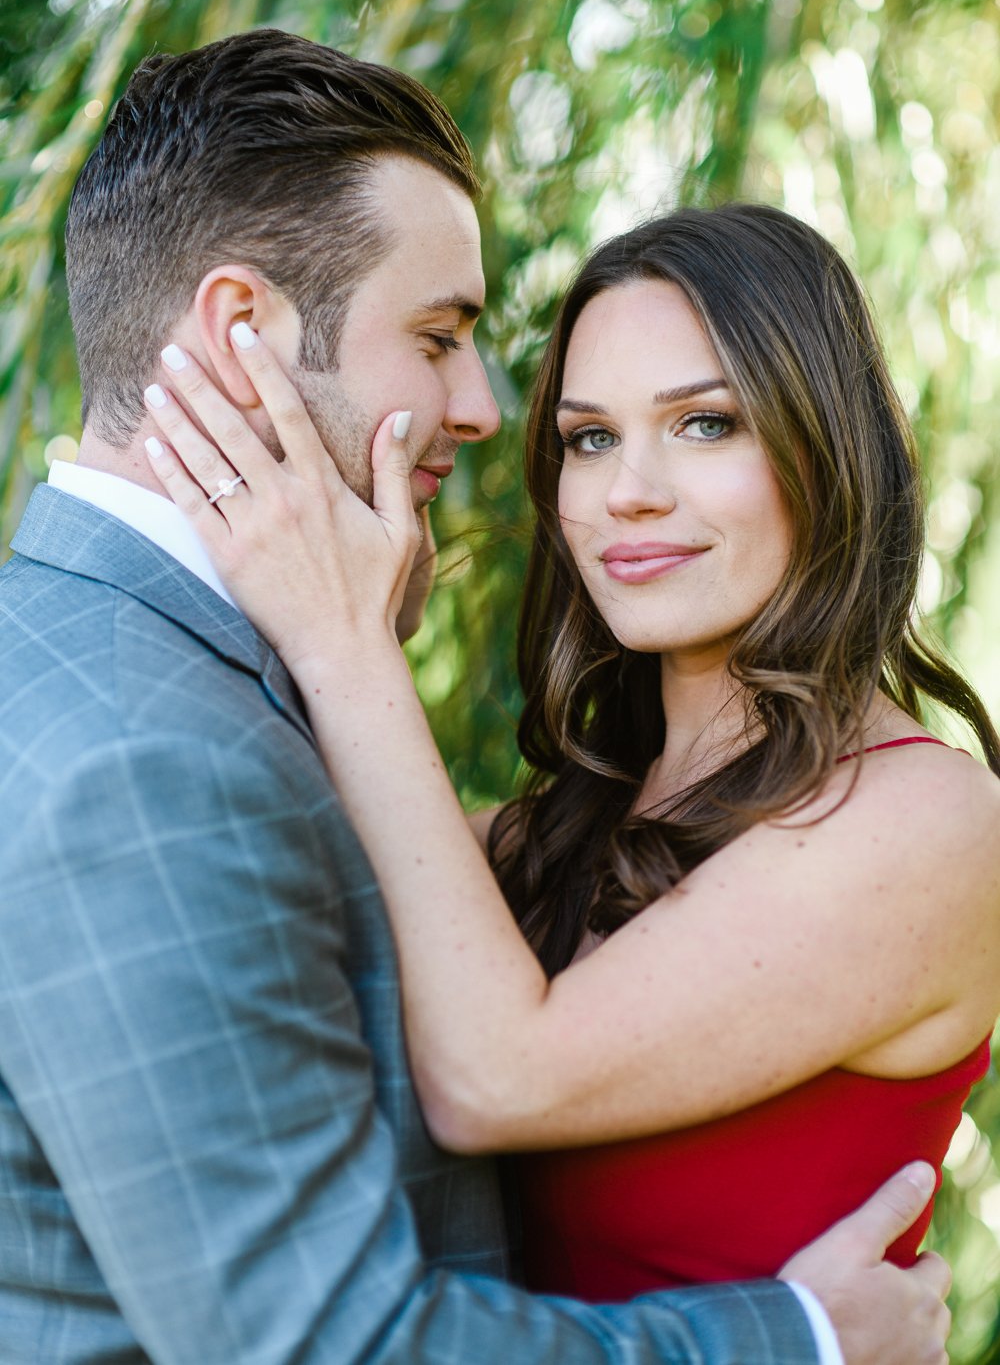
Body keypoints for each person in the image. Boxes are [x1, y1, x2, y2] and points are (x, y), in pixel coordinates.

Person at [0, 28, 950, 1365]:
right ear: (242, 333)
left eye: (709, 421)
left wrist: (346, 652)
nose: (488, 412)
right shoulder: (159, 766)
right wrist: (803, 1340)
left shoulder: (120, 674)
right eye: (443, 337)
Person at [139, 195, 1000, 1319]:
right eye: (589, 439)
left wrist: (346, 642)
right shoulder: (545, 837)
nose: (627, 489)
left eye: (706, 423)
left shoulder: (929, 819)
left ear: (824, 444)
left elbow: (494, 1081)